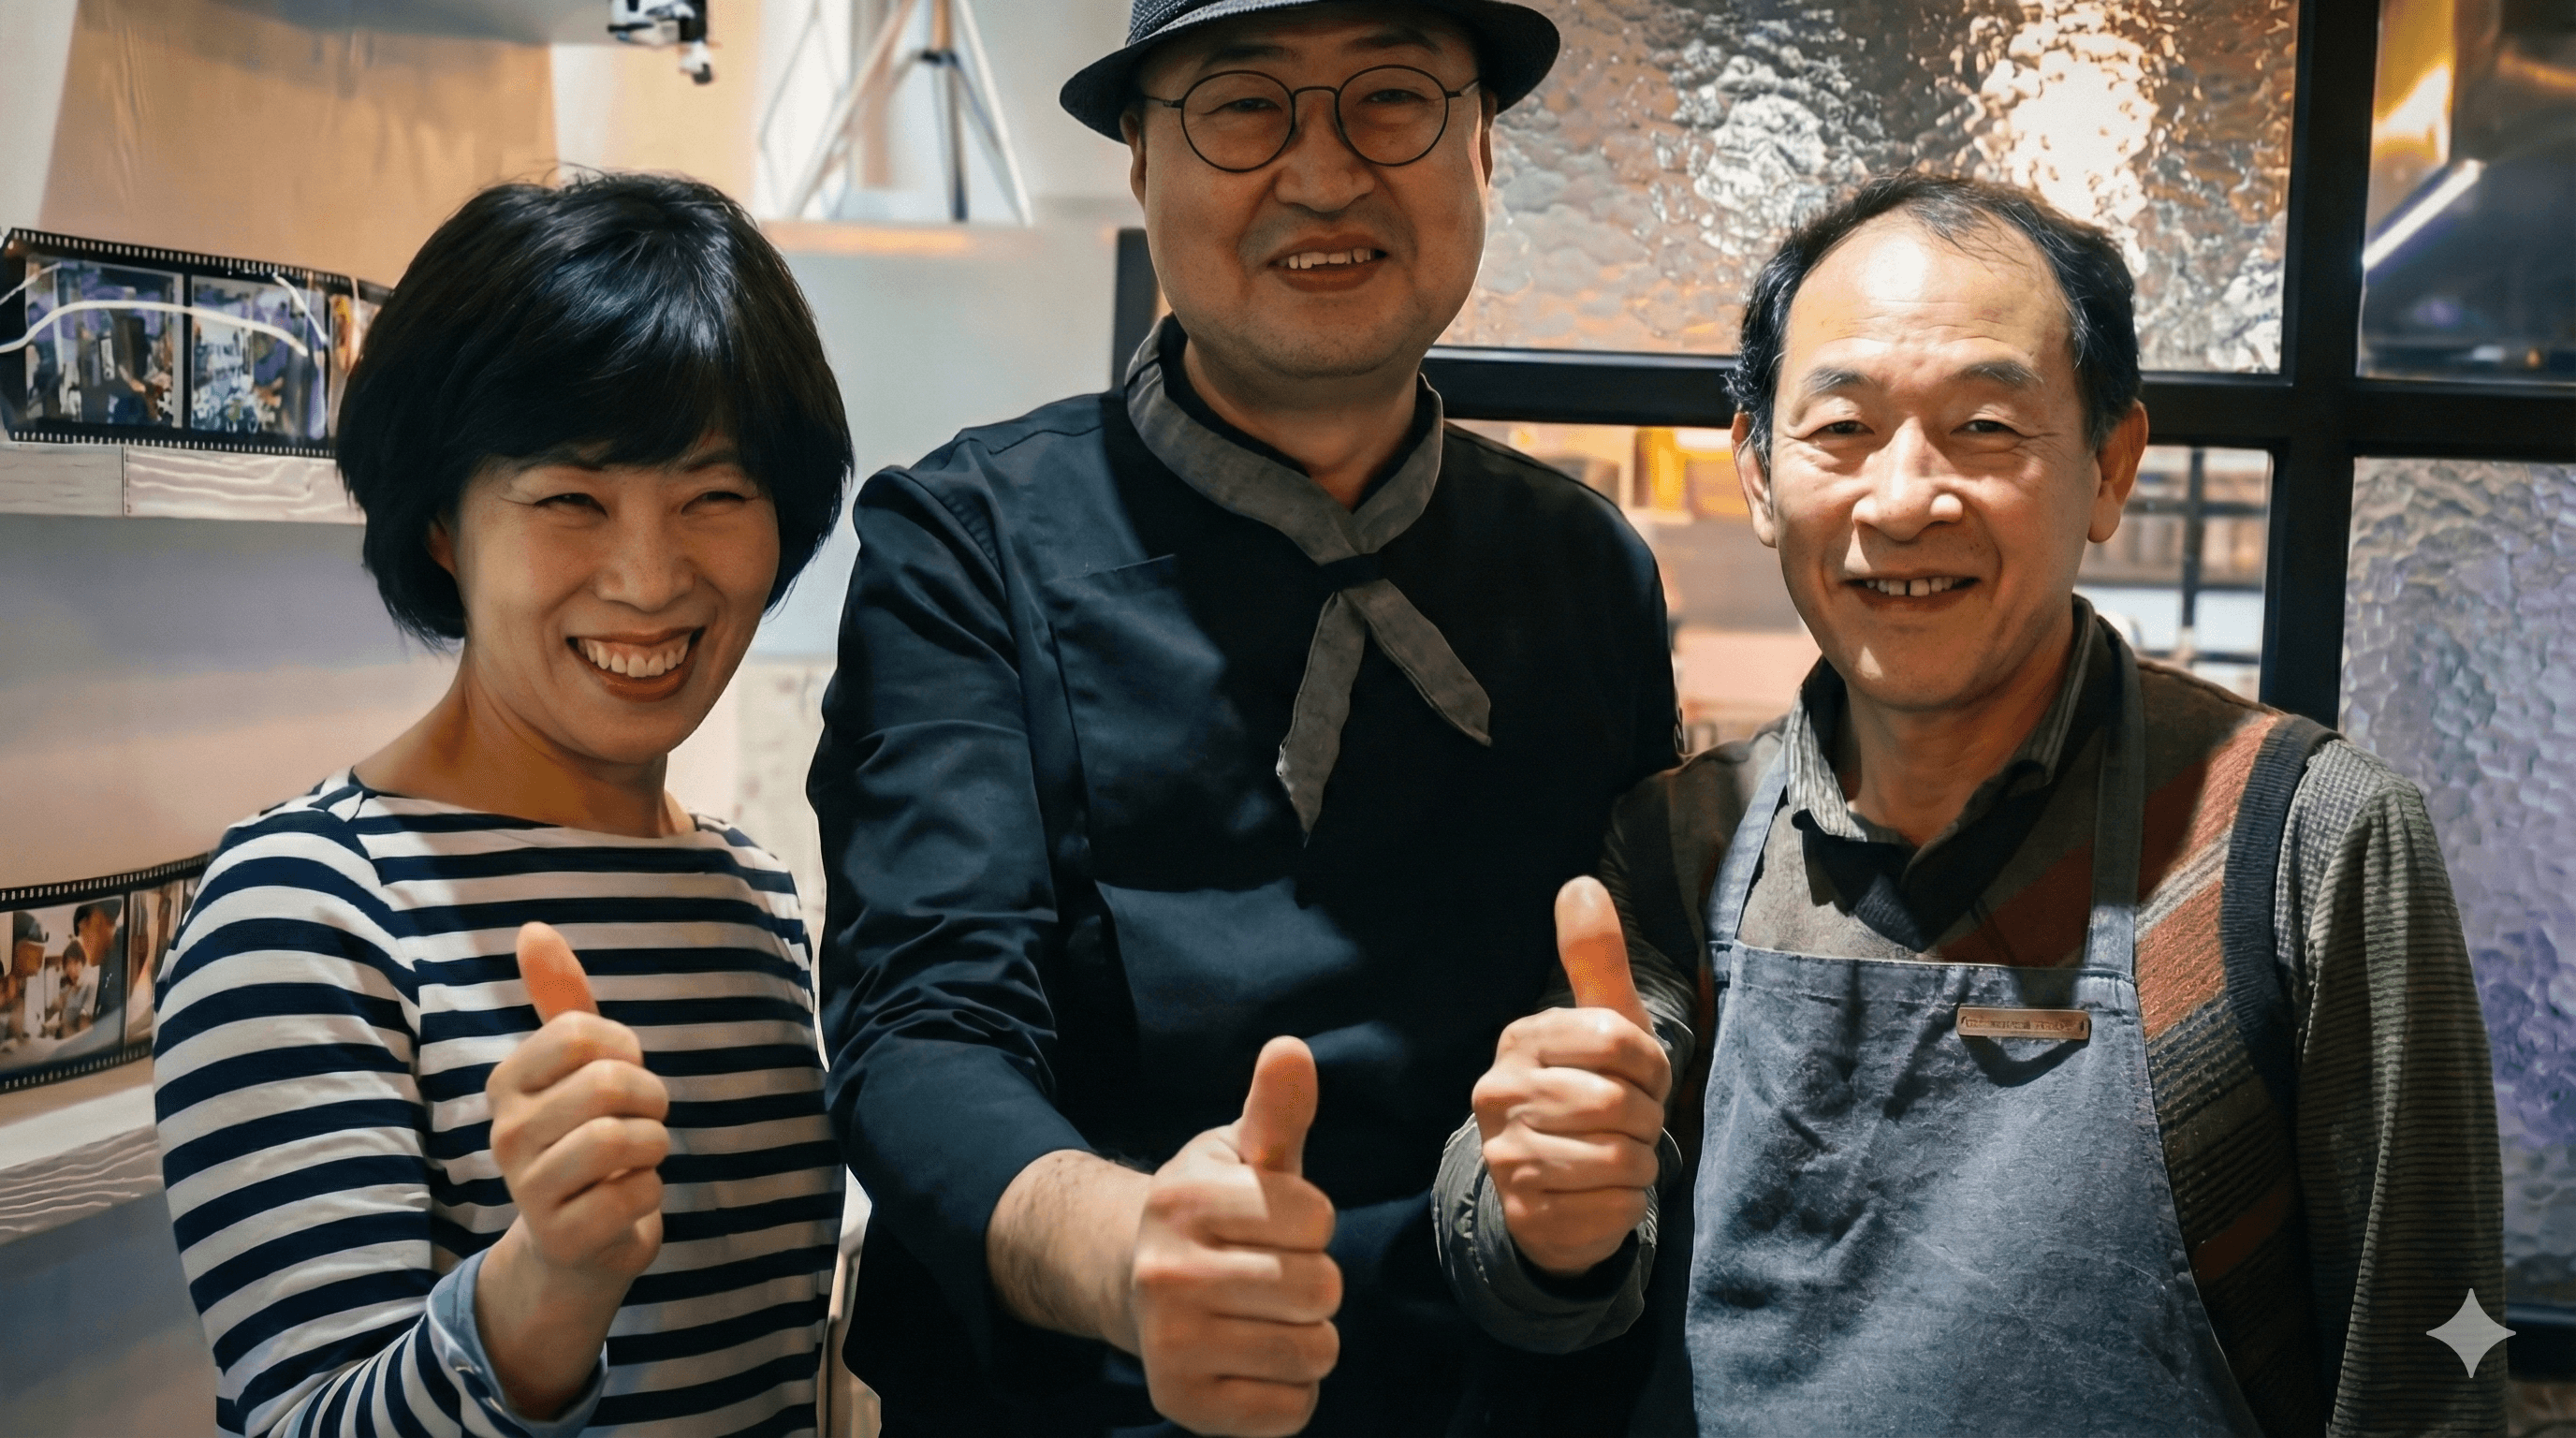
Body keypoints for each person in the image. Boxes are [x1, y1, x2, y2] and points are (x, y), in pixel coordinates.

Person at [807, 2, 1690, 1432]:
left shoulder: (1587, 572)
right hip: (1085, 1395)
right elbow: (922, 1029)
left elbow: (1608, 1011)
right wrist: (1134, 1255)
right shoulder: (966, 542)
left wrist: (1592, 1166)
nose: (1326, 174)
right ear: (1142, 162)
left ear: (1482, 147)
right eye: (1243, 105)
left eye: (1392, 98)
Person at [1508, 174, 2504, 1435]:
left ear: (2110, 467)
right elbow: (1543, 1275)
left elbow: (2431, 1369)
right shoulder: (1678, 844)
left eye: (1986, 426)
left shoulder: (2304, 840)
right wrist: (1539, 1220)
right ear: (1759, 474)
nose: (1905, 498)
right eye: (1842, 430)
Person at [150, 173, 855, 1438]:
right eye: (569, 499)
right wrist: (543, 1293)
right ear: (441, 525)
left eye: (714, 496)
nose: (650, 577)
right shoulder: (304, 909)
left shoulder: (746, 894)